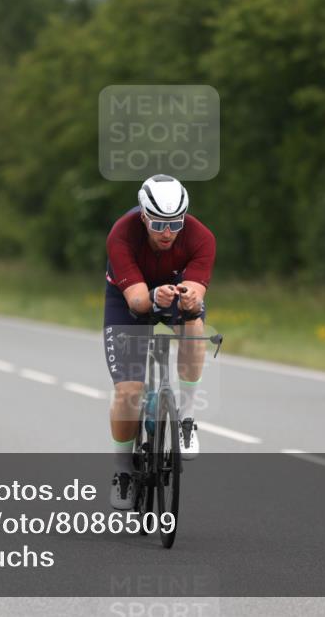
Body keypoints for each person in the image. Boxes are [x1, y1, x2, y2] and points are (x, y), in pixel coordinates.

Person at [104, 175, 216, 510]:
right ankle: (123, 470)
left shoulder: (201, 238)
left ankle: (186, 415)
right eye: (158, 224)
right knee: (129, 392)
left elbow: (196, 294)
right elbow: (138, 303)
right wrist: (154, 296)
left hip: (175, 293)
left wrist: (189, 301)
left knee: (193, 324)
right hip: (128, 299)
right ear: (143, 215)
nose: (167, 232)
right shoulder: (121, 234)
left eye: (175, 223)